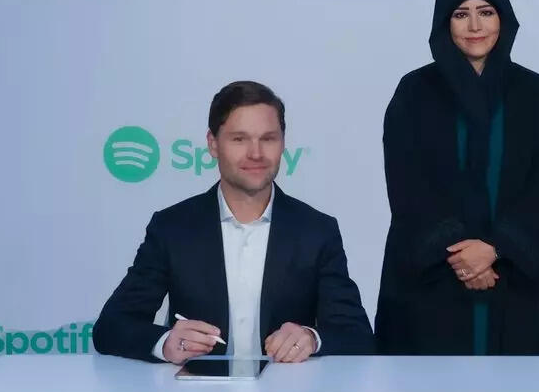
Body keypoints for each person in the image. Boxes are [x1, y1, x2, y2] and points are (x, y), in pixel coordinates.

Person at [94, 81, 374, 364]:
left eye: (268, 139)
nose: (256, 153)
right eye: (239, 139)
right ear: (213, 144)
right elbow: (111, 326)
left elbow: (357, 335)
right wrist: (166, 343)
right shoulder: (172, 228)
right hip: (196, 390)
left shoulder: (317, 231)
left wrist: (311, 338)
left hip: (287, 390)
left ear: (283, 143)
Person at [375, 0, 539, 355]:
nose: (475, 25)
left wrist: (495, 249)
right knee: (425, 389)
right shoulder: (414, 92)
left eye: (486, 12)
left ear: (504, 19)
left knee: (519, 390)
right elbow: (408, 185)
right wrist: (462, 255)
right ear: (444, 22)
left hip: (514, 276)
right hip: (431, 279)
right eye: (461, 14)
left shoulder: (535, 94)